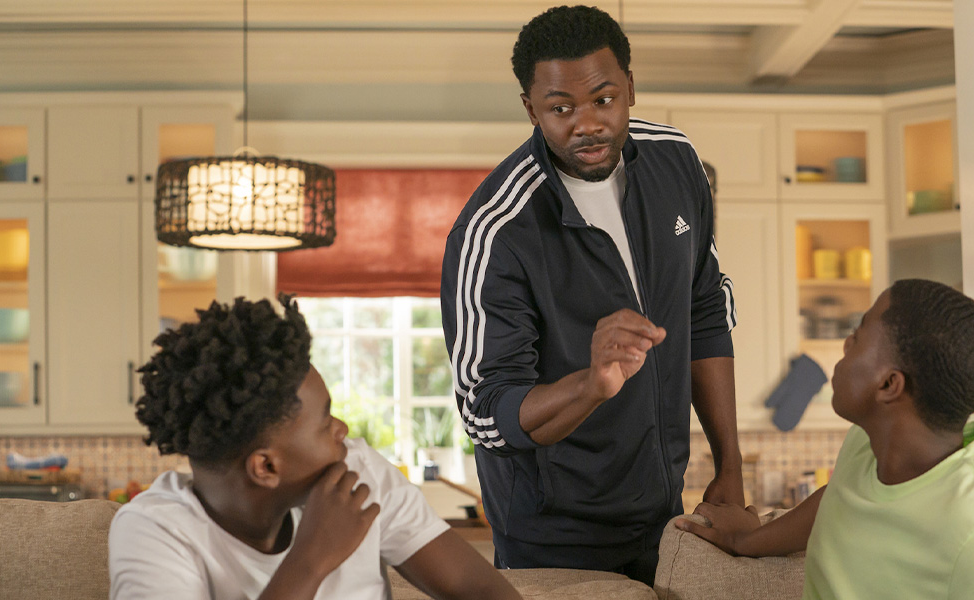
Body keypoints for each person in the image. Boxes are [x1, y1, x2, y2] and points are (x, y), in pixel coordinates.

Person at [440, 4, 743, 585]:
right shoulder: (496, 231)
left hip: (663, 518)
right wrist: (591, 383)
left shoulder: (675, 162)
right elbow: (487, 412)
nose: (586, 124)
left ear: (630, 87)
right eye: (560, 108)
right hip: (550, 540)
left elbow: (705, 309)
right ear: (531, 109)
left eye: (604, 100)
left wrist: (729, 466)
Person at [109, 295, 521, 600]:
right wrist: (312, 557)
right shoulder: (155, 532)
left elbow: (475, 586)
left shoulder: (357, 470)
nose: (342, 430)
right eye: (325, 421)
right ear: (265, 467)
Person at [677, 279, 974, 599]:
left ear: (889, 385)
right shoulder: (867, 445)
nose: (845, 343)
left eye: (859, 335)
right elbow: (839, 500)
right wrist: (744, 542)